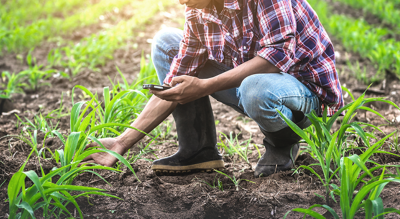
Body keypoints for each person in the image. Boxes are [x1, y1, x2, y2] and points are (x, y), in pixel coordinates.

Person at [82, 0, 344, 177]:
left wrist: (204, 86)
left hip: (307, 94)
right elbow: (177, 81)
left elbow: (276, 56)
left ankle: (282, 144)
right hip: (257, 88)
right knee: (166, 43)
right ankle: (197, 150)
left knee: (255, 86)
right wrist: (120, 143)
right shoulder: (198, 8)